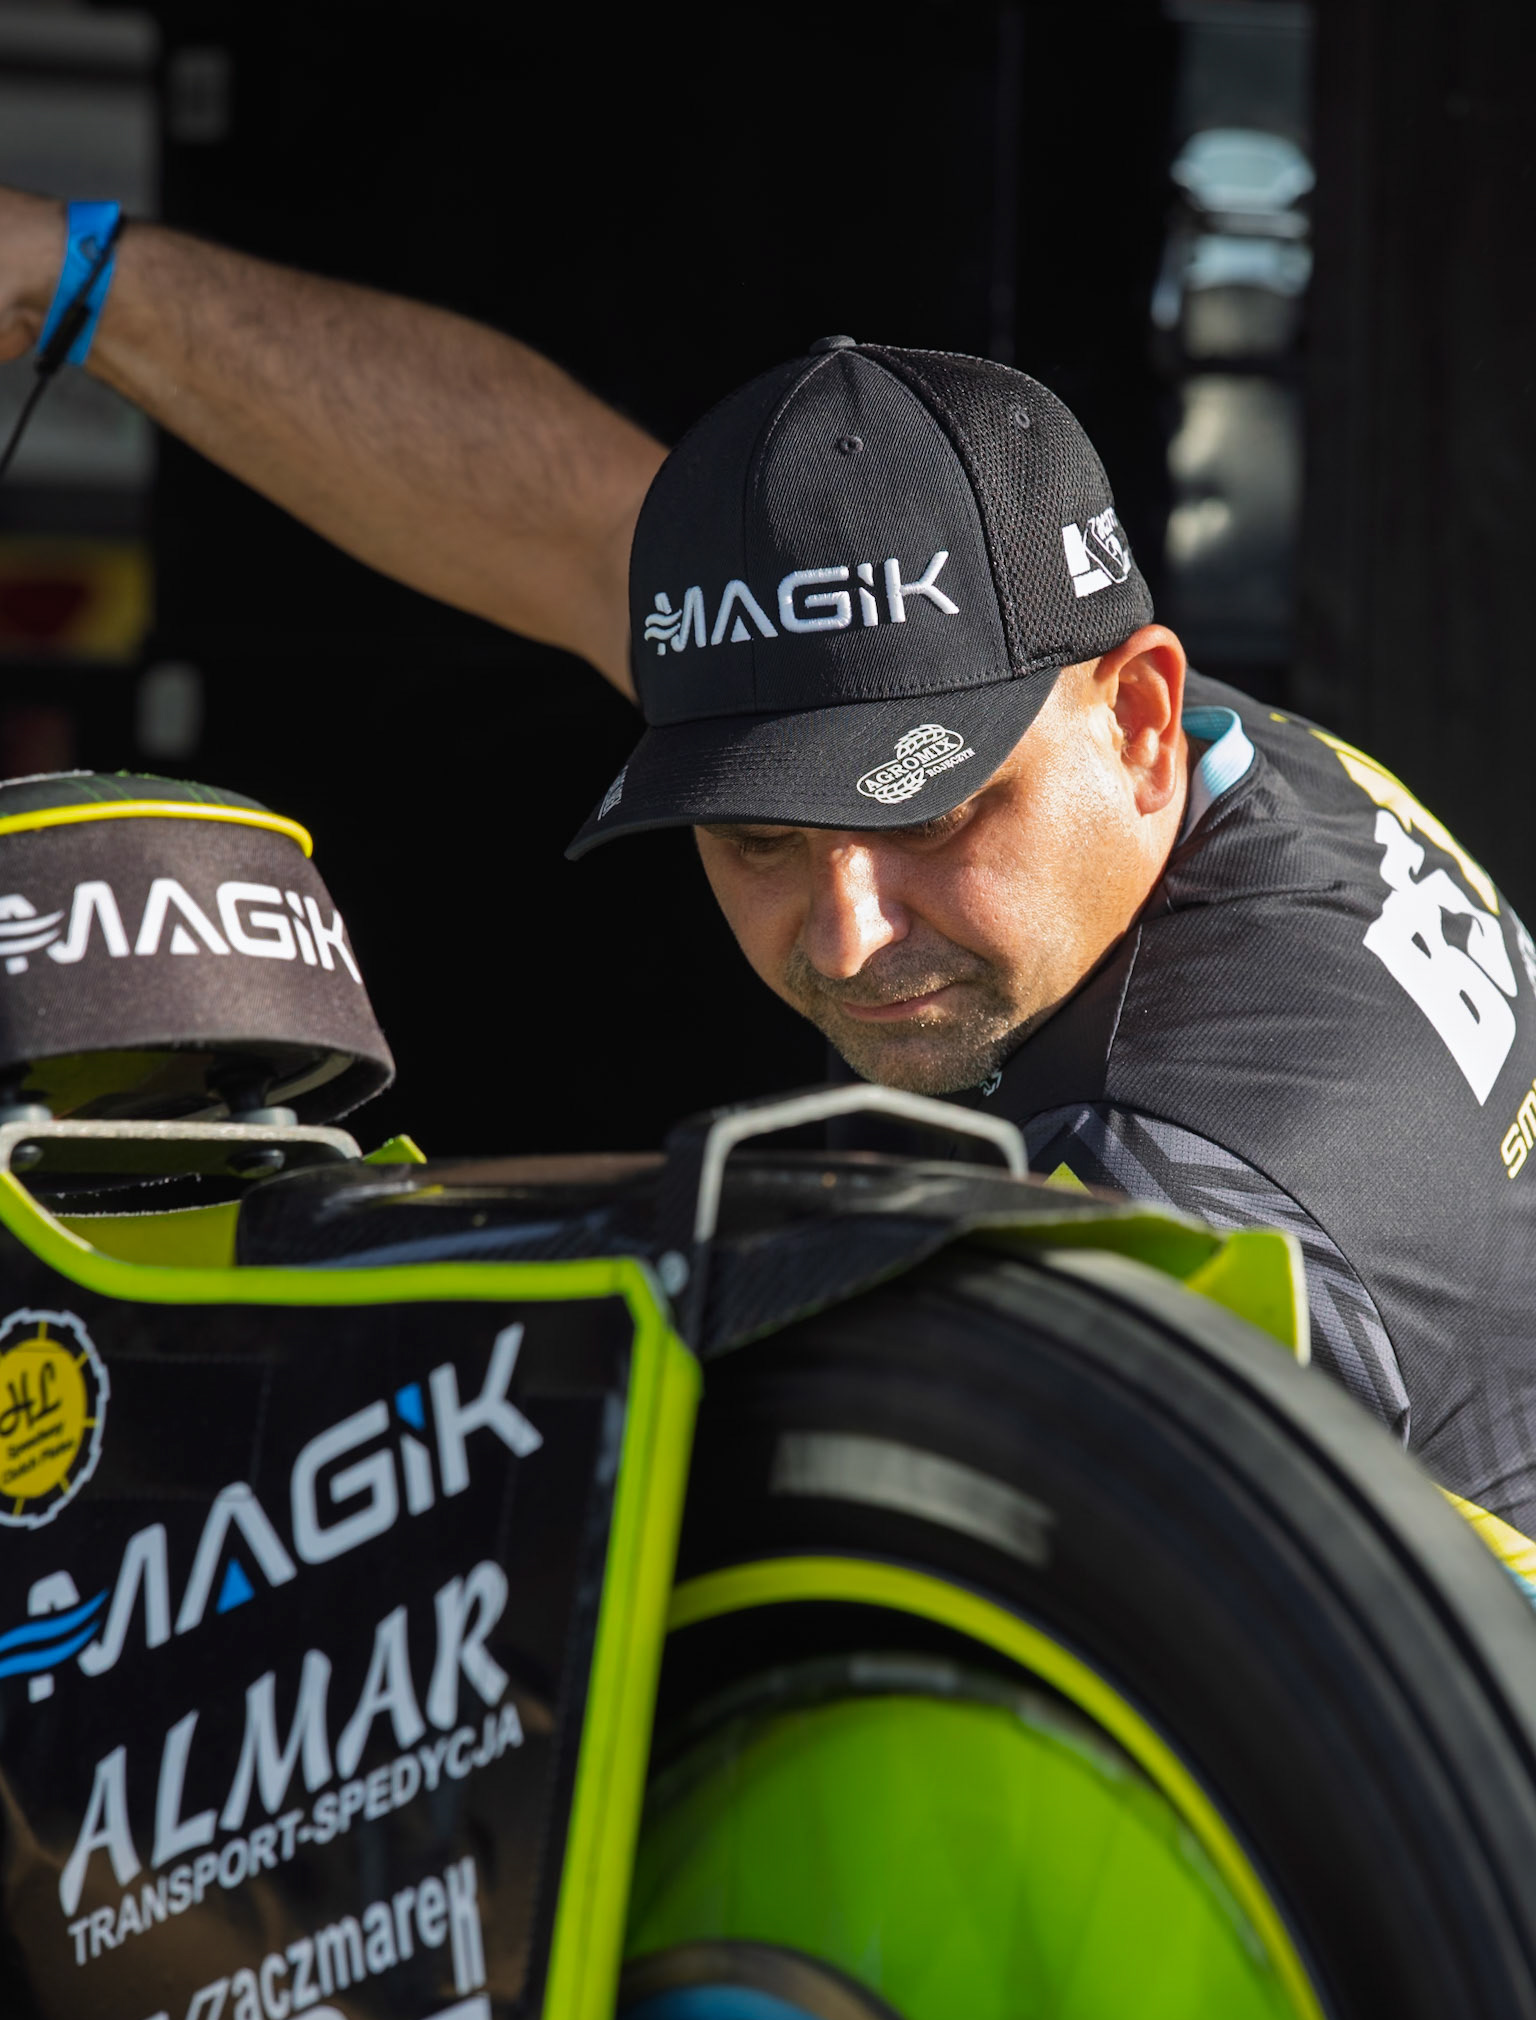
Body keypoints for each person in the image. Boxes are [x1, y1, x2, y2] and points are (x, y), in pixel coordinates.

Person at [4, 191, 1536, 1531]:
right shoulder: (1129, 727)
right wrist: (76, 275)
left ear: (1135, 716)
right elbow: (554, 521)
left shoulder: (1209, 1195)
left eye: (926, 818)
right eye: (758, 834)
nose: (849, 934)